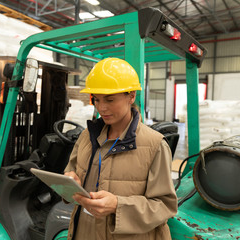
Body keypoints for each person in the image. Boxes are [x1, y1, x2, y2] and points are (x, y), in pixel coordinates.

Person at [64, 57, 178, 240]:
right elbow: (71, 169)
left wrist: (118, 205)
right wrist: (70, 180)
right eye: (97, 100)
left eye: (110, 100)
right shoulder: (87, 136)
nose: (102, 108)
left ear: (131, 96)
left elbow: (165, 205)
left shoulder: (154, 145)